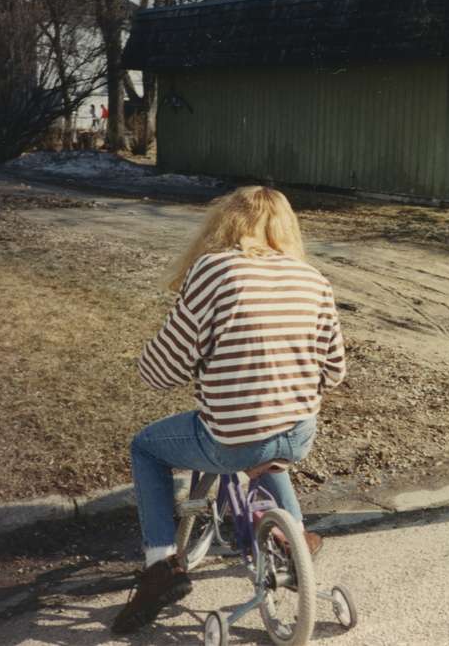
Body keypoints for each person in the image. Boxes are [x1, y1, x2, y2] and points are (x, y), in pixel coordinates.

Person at [112, 186, 346, 635]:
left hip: (232, 437)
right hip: (299, 431)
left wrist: (158, 366)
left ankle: (161, 564)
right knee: (268, 440)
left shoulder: (215, 271)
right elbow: (333, 370)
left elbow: (163, 369)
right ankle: (293, 541)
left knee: (146, 448)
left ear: (227, 224)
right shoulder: (312, 278)